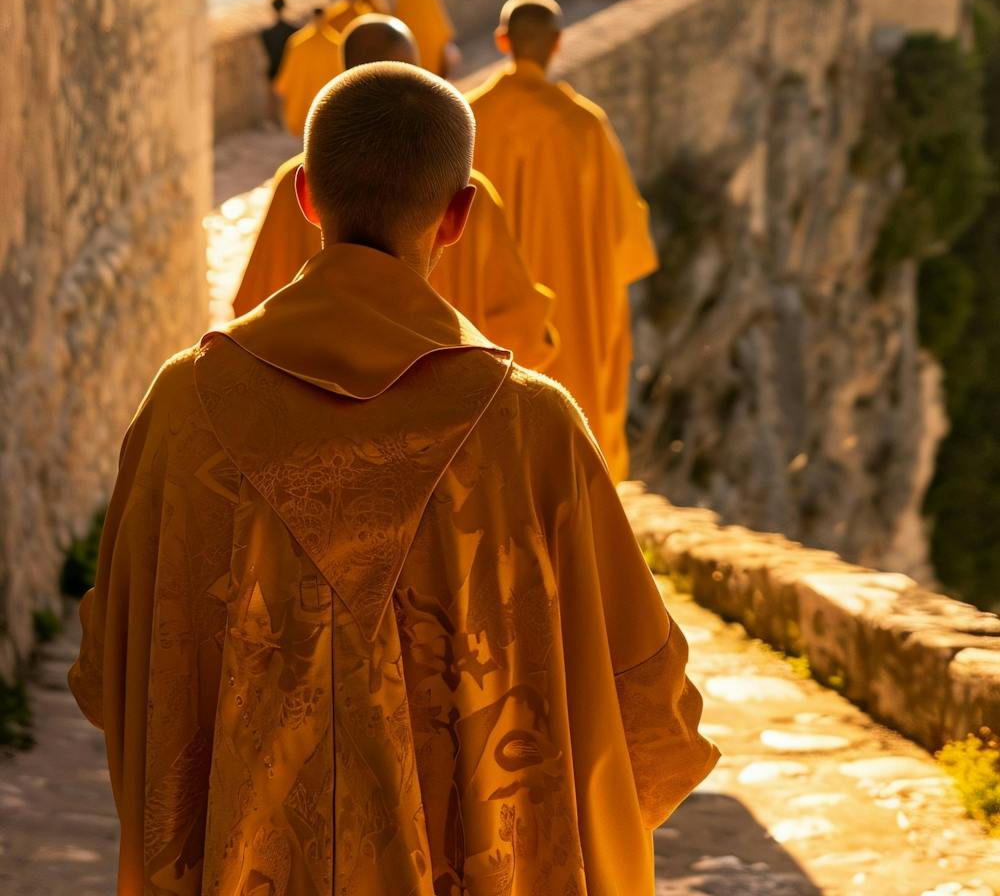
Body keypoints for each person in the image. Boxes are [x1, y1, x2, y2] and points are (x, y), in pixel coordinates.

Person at [69, 63, 717, 895]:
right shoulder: (530, 428)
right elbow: (645, 706)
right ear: (459, 214)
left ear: (303, 196)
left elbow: (113, 668)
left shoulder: (182, 407)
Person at [234, 15, 557, 371]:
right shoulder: (463, 192)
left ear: (306, 195)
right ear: (455, 217)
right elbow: (517, 329)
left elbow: (253, 304)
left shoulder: (290, 184)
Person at [468, 0, 658, 483]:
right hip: (572, 316)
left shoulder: (467, 121)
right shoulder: (584, 127)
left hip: (486, 320)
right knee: (569, 451)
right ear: (558, 44)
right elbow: (626, 237)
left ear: (501, 41)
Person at [273, 7, 343, 136]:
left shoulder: (297, 42)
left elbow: (287, 78)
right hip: (327, 104)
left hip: (303, 103)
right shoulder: (336, 43)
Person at [394, 0, 460, 77]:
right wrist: (446, 30)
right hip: (428, 32)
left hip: (414, 32)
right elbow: (437, 9)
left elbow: (401, 12)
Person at [259, 0, 299, 82]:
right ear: (285, 6)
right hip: (291, 70)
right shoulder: (293, 30)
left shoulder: (266, 33)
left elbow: (268, 54)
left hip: (276, 71)